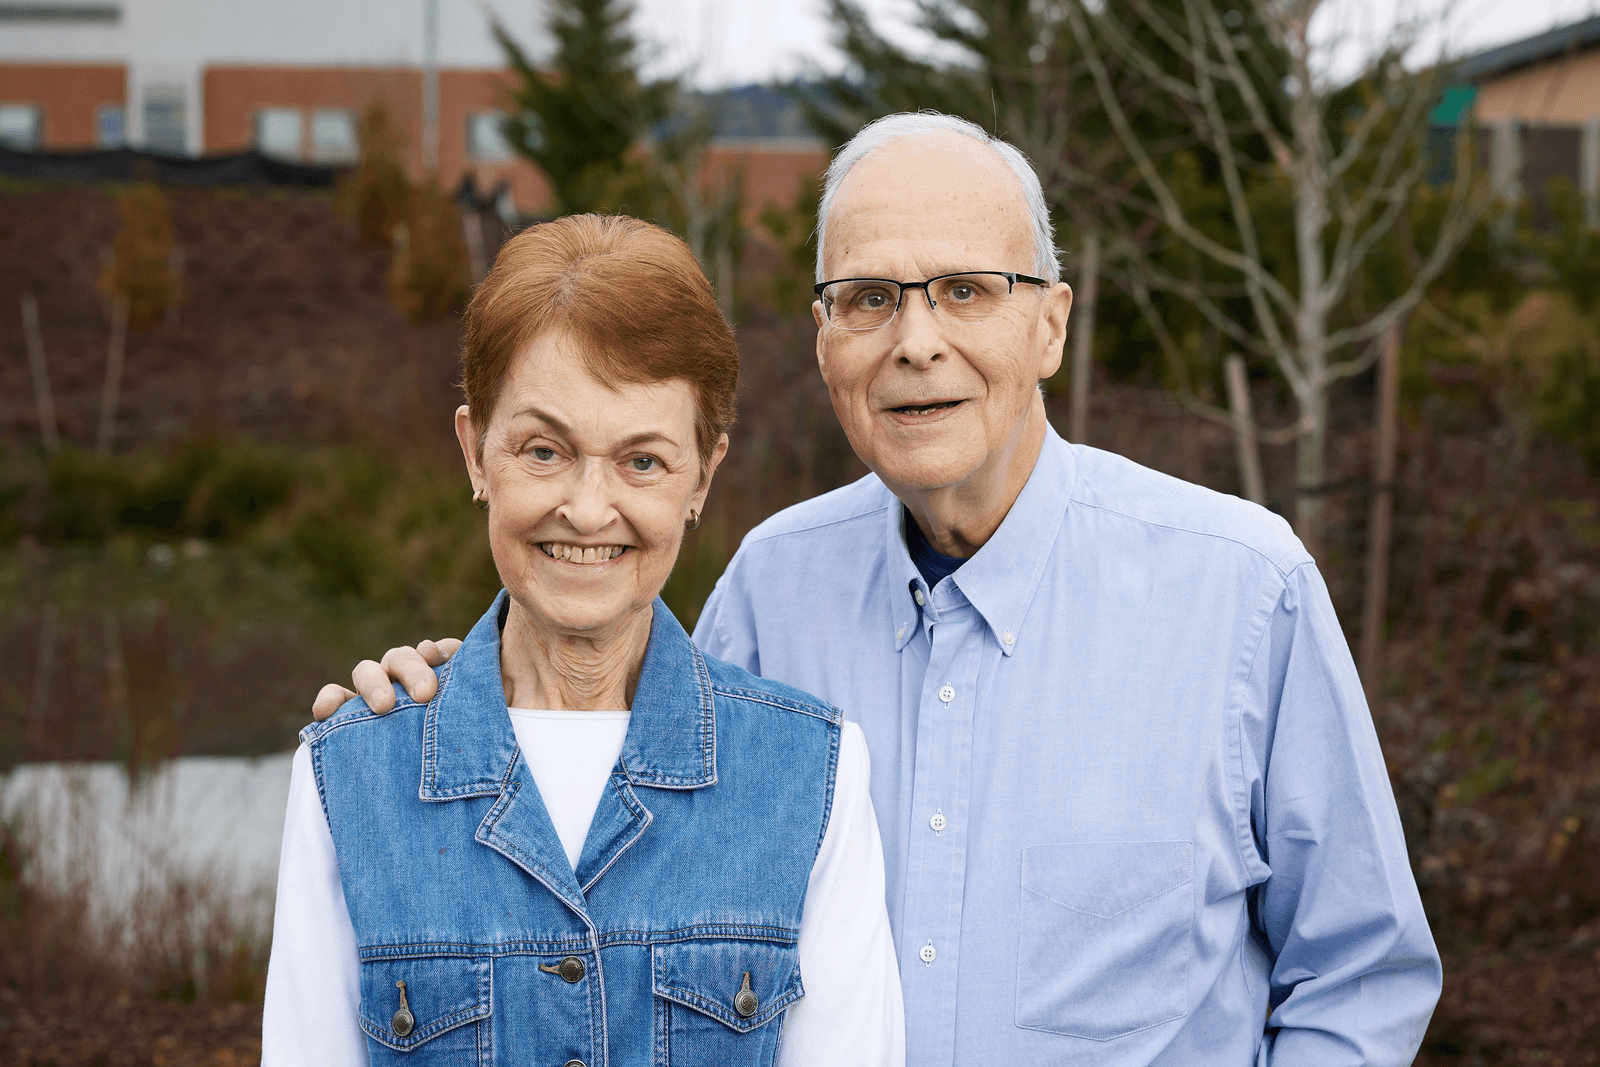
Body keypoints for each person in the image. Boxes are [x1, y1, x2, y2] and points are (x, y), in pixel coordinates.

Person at [320, 114, 1441, 1065]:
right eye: (868, 298)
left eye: (964, 290)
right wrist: (444, 697)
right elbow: (619, 861)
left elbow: (1358, 972)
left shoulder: (1243, 593)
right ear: (822, 341)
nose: (915, 342)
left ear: (1049, 321)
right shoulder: (769, 587)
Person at [267, 214, 903, 1067]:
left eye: (642, 461)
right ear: (475, 453)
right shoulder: (346, 776)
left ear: (702, 477)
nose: (589, 508)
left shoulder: (814, 773)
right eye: (543, 450)